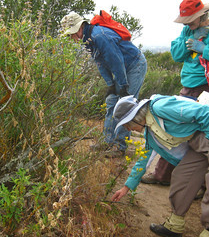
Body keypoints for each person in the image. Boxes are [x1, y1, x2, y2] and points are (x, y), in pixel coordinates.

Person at [111, 94, 209, 237]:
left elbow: (204, 112)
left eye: (127, 125)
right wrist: (126, 187)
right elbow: (143, 160)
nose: (128, 129)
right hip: (197, 143)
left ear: (135, 116)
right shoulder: (150, 132)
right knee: (182, 176)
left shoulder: (159, 108)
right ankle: (174, 228)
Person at [142, 0, 209, 187]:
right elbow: (177, 54)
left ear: (203, 16)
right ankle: (162, 175)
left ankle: (204, 185)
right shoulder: (188, 30)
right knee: (174, 127)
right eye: (186, 22)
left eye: (191, 21)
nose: (188, 25)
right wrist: (192, 38)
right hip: (189, 87)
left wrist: (205, 49)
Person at [60, 12, 147, 157]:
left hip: (134, 65)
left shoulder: (99, 36)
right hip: (122, 68)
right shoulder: (88, 39)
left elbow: (116, 61)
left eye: (72, 33)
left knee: (126, 105)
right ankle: (108, 141)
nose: (71, 37)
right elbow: (100, 62)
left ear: (80, 27)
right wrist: (110, 84)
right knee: (111, 101)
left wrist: (122, 85)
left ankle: (119, 146)